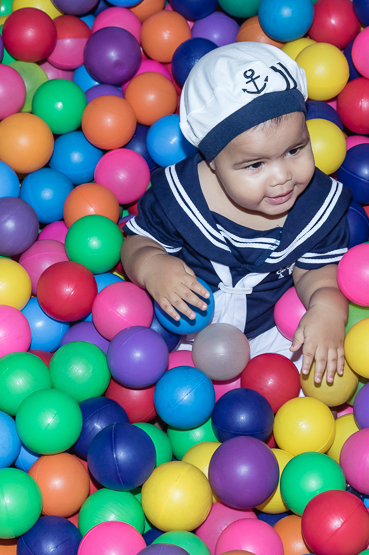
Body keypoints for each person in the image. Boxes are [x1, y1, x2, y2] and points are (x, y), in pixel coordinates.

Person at [121, 42, 352, 384]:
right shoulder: (179, 199)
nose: (282, 176)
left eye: (295, 149)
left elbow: (313, 274)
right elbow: (136, 242)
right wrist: (152, 266)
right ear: (212, 162)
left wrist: (328, 310)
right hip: (180, 329)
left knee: (308, 380)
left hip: (275, 332)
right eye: (255, 164)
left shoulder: (317, 208)